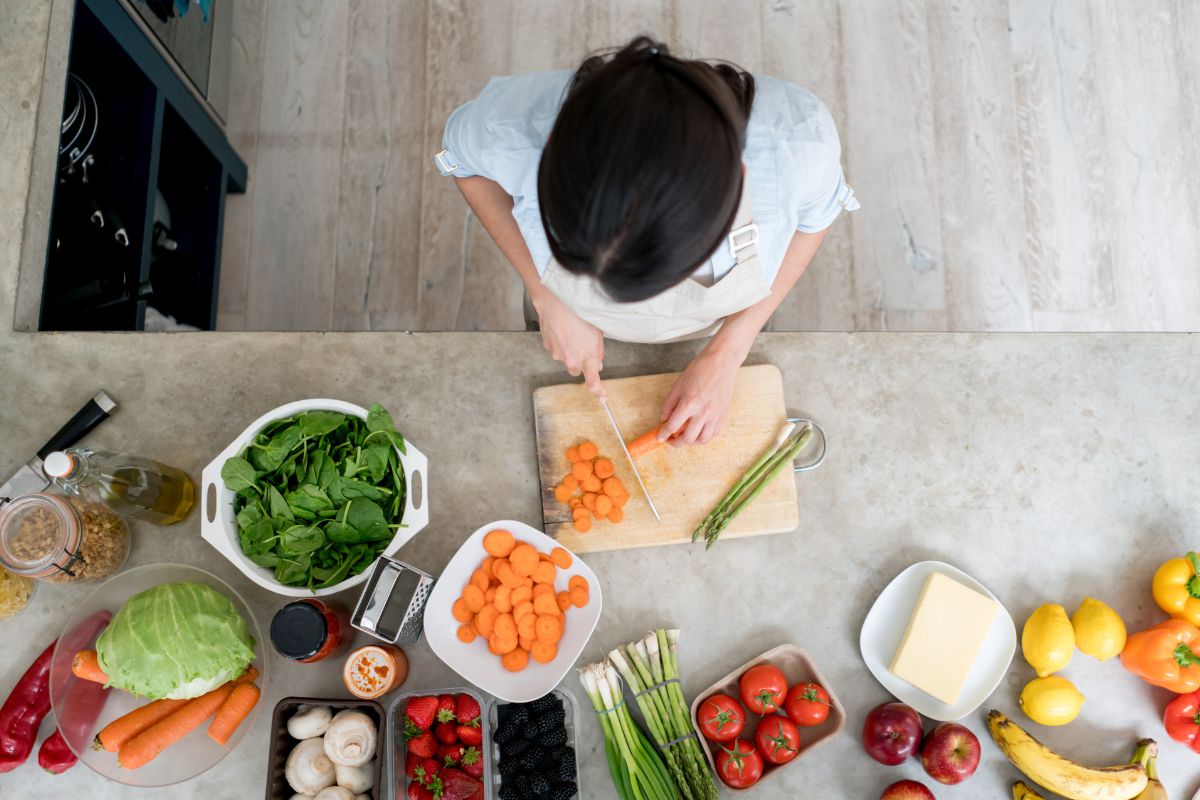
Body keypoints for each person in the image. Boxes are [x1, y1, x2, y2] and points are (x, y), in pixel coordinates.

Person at [435, 36, 858, 446]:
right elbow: (465, 164)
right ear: (550, 149)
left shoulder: (798, 145)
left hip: (719, 327)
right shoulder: (510, 124)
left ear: (738, 179)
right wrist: (547, 295)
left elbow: (814, 220)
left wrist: (727, 353)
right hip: (563, 323)